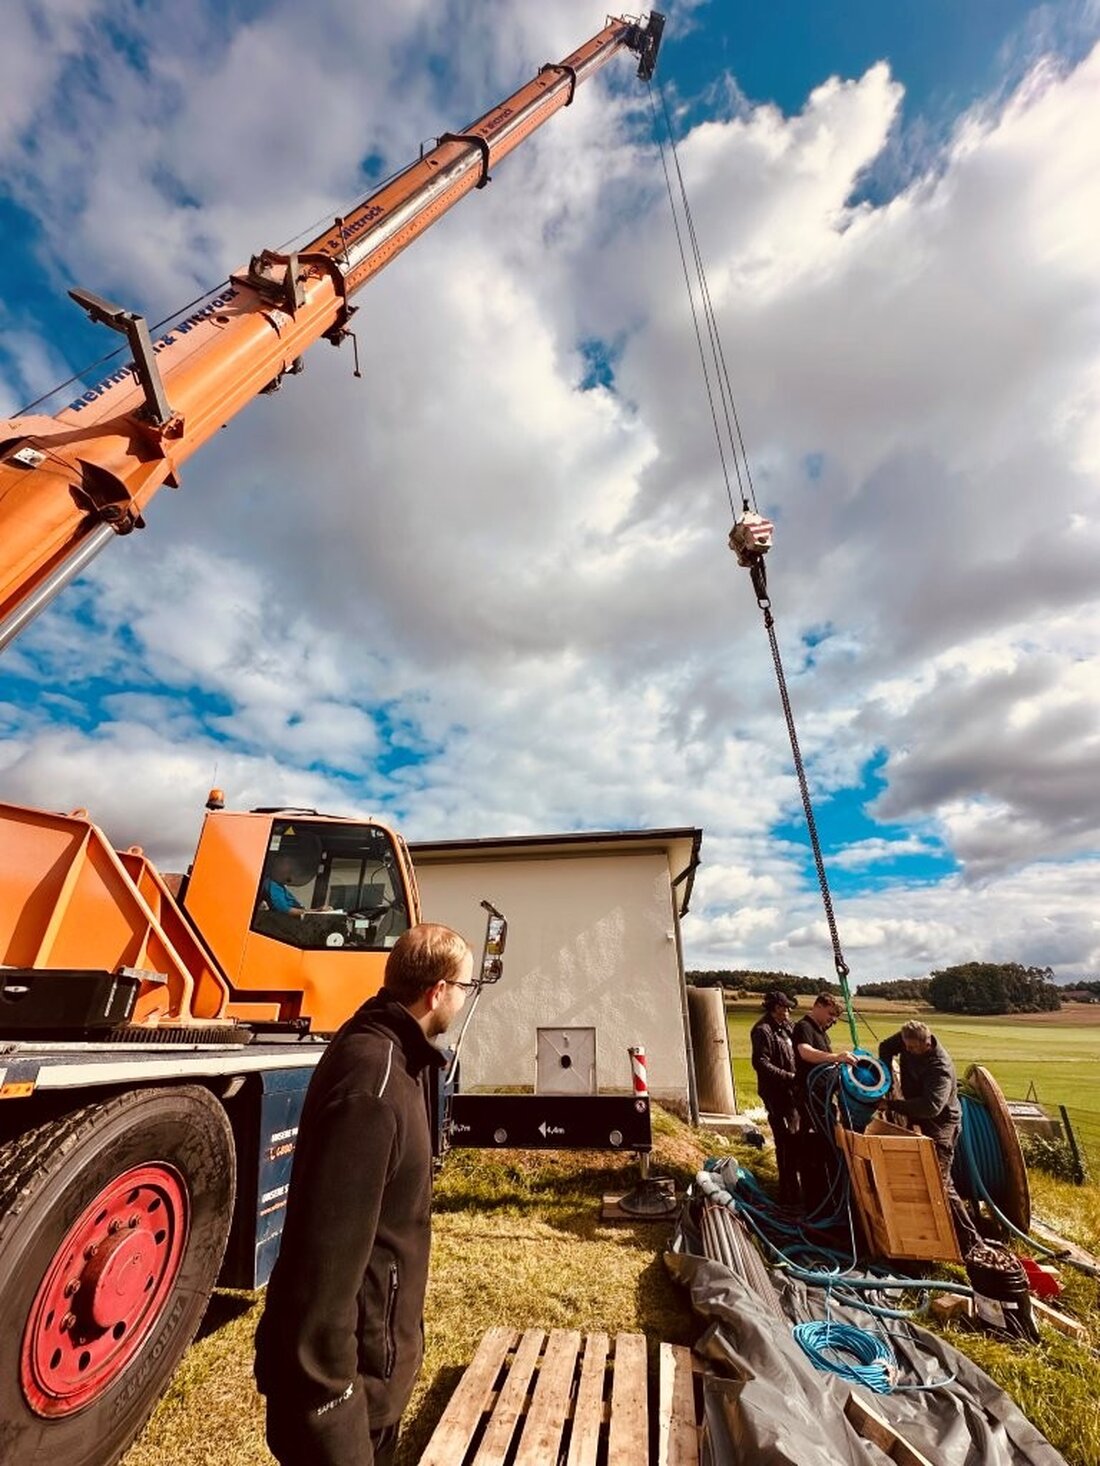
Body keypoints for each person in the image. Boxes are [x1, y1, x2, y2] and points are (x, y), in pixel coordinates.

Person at [254, 922, 474, 1466]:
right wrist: (334, 1413)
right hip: (350, 1397)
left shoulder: (398, 1058)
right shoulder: (373, 1088)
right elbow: (321, 1271)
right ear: (438, 991)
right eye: (466, 988)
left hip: (375, 1368)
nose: (465, 1001)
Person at [877, 1020, 981, 1254]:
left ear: (927, 1042)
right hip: (916, 1112)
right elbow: (885, 1047)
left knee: (940, 1182)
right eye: (906, 1047)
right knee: (918, 1176)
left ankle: (972, 1244)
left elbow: (932, 1107)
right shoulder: (907, 1038)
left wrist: (892, 1103)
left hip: (941, 1122)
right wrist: (885, 1080)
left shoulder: (939, 1067)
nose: (909, 1051)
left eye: (913, 1048)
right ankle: (925, 1234)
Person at [791, 993, 856, 1214]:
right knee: (815, 1148)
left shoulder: (820, 1030)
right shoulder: (804, 1027)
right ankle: (816, 1202)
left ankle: (828, 1200)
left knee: (827, 1146)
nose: (831, 1020)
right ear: (818, 1006)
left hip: (823, 1099)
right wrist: (835, 1057)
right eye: (829, 1014)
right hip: (810, 1098)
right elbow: (805, 1053)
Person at [750, 991, 801, 1206]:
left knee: (796, 1139)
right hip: (777, 1095)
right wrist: (789, 1077)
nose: (789, 1011)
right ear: (775, 1008)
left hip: (793, 1093)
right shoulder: (763, 1030)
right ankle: (788, 1194)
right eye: (785, 1007)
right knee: (785, 1142)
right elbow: (761, 1063)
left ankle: (796, 1189)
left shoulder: (788, 1028)